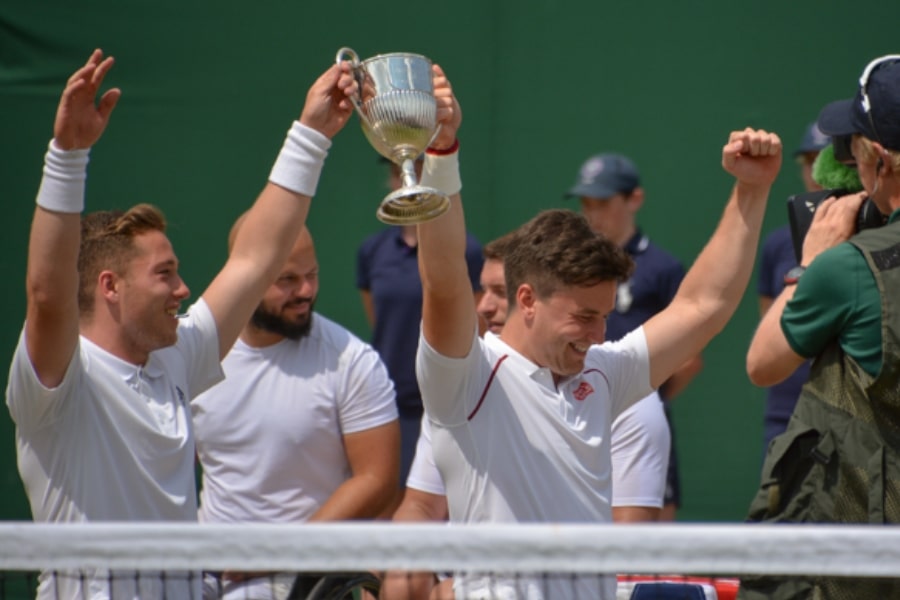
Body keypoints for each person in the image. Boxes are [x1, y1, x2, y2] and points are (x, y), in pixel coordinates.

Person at [415, 64, 780, 600]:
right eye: (583, 315)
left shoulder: (603, 373)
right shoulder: (466, 378)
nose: (597, 332)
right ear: (527, 300)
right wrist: (442, 152)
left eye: (604, 314)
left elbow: (705, 304)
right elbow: (444, 280)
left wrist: (751, 191)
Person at [4, 49, 356, 600]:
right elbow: (47, 294)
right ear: (109, 287)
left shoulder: (175, 355)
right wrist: (67, 157)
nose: (183, 289)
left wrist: (312, 133)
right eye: (165, 274)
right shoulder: (60, 381)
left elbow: (256, 258)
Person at [382, 230, 672, 600]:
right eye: (481, 289)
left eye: (500, 292)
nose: (485, 306)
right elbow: (421, 507)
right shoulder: (461, 384)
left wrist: (466, 589)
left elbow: (626, 547)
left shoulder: (623, 393)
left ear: (528, 299)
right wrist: (403, 571)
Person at [743, 55, 900, 599]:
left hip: (864, 546)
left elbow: (762, 364)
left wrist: (811, 264)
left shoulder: (852, 265)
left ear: (877, 158)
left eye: (851, 150)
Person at [193, 222, 400, 600]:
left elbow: (377, 478)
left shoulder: (351, 361)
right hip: (202, 568)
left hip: (305, 574)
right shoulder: (192, 352)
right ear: (243, 276)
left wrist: (277, 551)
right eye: (287, 279)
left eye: (312, 275)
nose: (305, 291)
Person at [565, 153, 703, 521]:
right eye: (586, 203)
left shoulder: (662, 268)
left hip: (641, 417)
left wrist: (638, 394)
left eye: (603, 202)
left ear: (634, 200)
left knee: (651, 536)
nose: (592, 213)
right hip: (577, 413)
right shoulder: (568, 269)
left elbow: (688, 358)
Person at [356, 159, 484, 504]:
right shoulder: (372, 252)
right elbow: (378, 318)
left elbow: (473, 323)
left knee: (437, 503)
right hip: (389, 397)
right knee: (384, 501)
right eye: (400, 168)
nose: (408, 176)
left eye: (419, 167)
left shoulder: (468, 251)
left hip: (446, 398)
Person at [754, 122, 829, 454]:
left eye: (824, 158)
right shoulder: (776, 244)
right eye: (807, 160)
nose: (815, 170)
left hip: (849, 412)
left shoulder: (870, 234)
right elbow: (770, 324)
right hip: (786, 412)